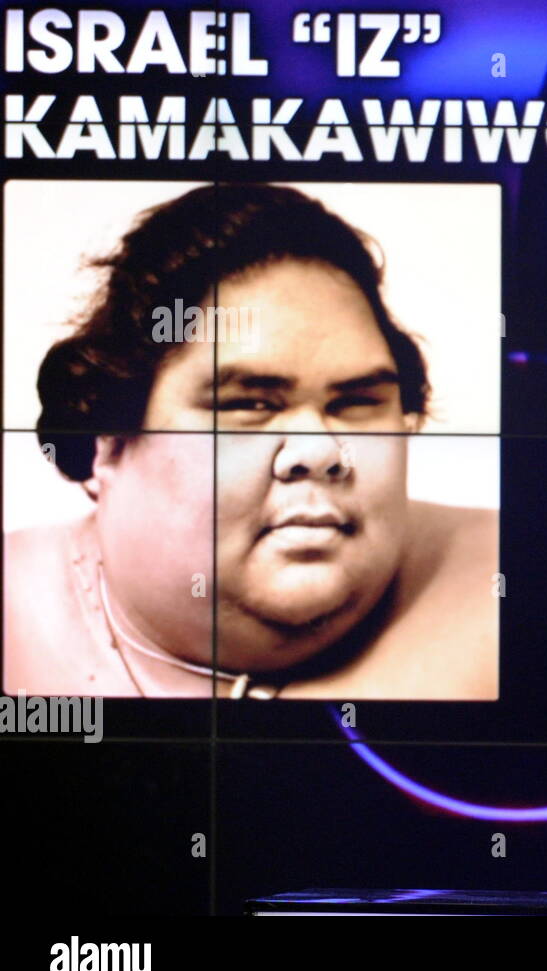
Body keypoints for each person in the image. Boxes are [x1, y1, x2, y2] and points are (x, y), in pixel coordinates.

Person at [3, 183, 496, 699]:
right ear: (106, 441)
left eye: (355, 402)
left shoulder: (516, 589)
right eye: (247, 405)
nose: (319, 451)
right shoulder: (12, 622)